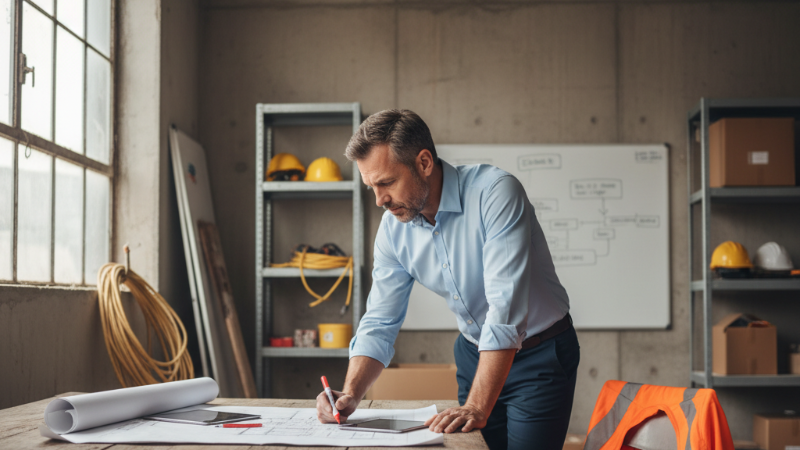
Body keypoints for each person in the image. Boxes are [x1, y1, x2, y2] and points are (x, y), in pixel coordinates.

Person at [315, 109, 580, 450]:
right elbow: (380, 320)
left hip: (539, 355)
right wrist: (350, 394)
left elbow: (505, 308)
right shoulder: (393, 229)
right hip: (473, 354)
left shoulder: (496, 193)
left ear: (424, 162)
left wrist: (477, 405)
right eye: (372, 187)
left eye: (387, 183)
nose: (380, 200)